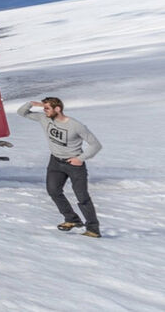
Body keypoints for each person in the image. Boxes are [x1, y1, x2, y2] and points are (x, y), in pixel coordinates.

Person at [18, 97, 102, 237]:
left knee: (82, 197)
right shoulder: (44, 118)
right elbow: (22, 113)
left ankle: (93, 229)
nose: (44, 111)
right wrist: (33, 104)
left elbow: (95, 145)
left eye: (47, 108)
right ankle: (72, 219)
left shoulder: (76, 125)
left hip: (74, 165)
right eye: (44, 109)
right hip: (55, 162)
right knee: (53, 191)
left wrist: (80, 159)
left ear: (58, 109)